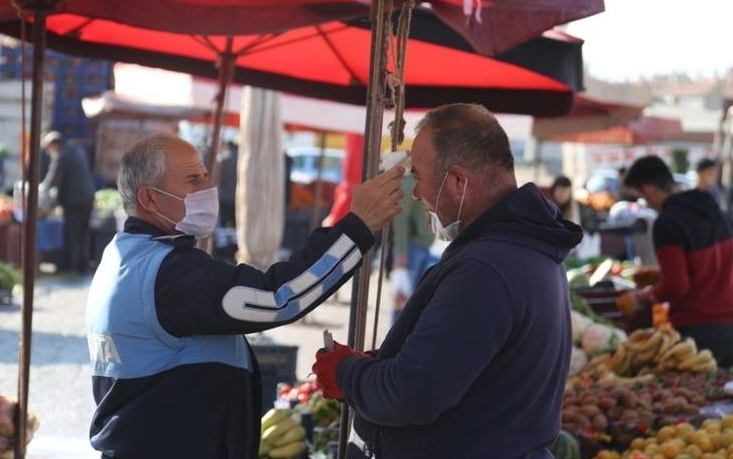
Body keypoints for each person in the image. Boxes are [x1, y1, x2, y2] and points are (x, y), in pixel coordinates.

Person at [85, 133, 404, 458]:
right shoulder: (167, 274)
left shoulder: (126, 256)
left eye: (206, 176)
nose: (207, 190)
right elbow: (279, 297)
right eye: (193, 180)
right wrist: (357, 227)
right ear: (149, 199)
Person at [312, 103, 582, 458]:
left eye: (419, 177)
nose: (415, 193)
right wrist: (376, 364)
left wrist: (347, 373)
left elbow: (411, 395)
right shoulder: (523, 249)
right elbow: (460, 366)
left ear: (457, 181)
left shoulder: (486, 270)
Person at [619, 156, 733, 366]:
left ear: (650, 189)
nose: (646, 203)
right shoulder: (713, 208)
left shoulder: (668, 223)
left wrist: (640, 298)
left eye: (642, 196)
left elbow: (677, 285)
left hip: (696, 331)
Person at [41, 131, 96, 274]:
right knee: (83, 232)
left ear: (54, 144)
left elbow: (54, 179)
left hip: (74, 200)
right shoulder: (76, 149)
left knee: (72, 233)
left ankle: (72, 265)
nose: (48, 152)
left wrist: (42, 190)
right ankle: (83, 264)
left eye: (48, 148)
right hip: (88, 196)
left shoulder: (61, 155)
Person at [390, 174, 435, 323]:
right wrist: (401, 252)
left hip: (419, 247)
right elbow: (401, 220)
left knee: (410, 303)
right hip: (411, 249)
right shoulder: (411, 183)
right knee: (403, 302)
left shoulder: (423, 181)